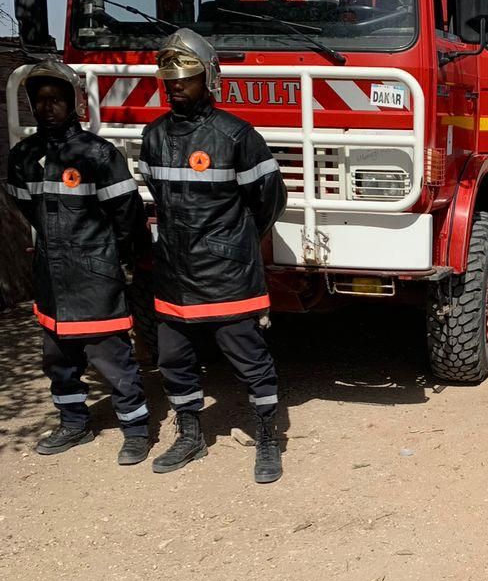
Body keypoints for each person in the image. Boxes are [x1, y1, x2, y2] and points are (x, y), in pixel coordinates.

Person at [140, 29, 288, 482]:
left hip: (228, 275)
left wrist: (234, 241)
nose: (175, 86)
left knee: (251, 362)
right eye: (169, 79)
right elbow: (158, 198)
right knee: (174, 361)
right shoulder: (154, 135)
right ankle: (190, 437)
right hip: (174, 274)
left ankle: (267, 439)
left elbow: (270, 200)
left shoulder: (237, 135)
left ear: (209, 78)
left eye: (185, 77)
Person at [5, 59, 150, 464]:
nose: (48, 106)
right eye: (40, 100)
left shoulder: (98, 154)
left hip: (95, 275)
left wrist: (110, 257)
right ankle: (73, 423)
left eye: (56, 99)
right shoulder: (23, 156)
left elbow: (127, 214)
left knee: (112, 358)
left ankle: (136, 429)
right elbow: (25, 207)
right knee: (58, 357)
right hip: (51, 277)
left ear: (74, 102)